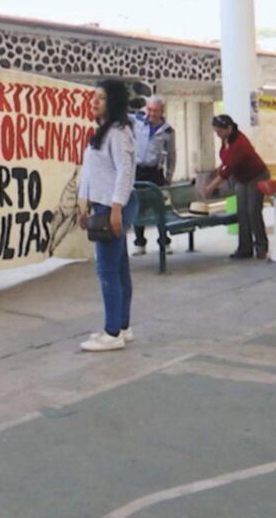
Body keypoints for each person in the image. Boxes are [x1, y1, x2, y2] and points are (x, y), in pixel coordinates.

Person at [78, 79, 138, 352]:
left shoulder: (119, 132)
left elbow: (125, 171)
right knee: (119, 268)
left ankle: (112, 332)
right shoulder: (103, 131)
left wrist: (116, 208)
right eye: (94, 97)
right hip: (102, 204)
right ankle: (122, 326)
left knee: (107, 270)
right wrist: (83, 201)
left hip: (112, 206)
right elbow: (92, 170)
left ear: (113, 101)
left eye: (100, 98)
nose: (94, 102)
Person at [203, 114, 270, 260]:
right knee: (242, 212)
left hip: (256, 175)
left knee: (253, 211)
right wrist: (217, 168)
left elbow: (227, 171)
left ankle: (261, 246)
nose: (217, 135)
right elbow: (227, 160)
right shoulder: (226, 140)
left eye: (219, 131)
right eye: (216, 132)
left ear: (229, 128)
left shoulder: (240, 143)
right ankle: (244, 248)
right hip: (241, 178)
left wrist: (210, 187)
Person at [131, 96, 176, 256]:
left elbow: (172, 155)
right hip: (137, 170)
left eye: (155, 110)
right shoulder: (137, 122)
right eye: (149, 110)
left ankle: (164, 241)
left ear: (162, 111)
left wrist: (169, 176)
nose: (151, 114)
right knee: (137, 207)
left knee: (159, 208)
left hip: (155, 172)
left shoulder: (168, 131)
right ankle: (139, 243)